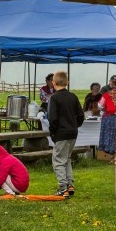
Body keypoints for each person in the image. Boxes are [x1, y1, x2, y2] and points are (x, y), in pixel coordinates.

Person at [46, 71, 84, 199]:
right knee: (66, 158)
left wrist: (53, 132)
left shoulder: (54, 98)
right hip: (73, 132)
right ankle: (70, 184)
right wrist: (75, 125)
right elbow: (81, 115)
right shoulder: (73, 97)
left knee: (58, 160)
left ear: (53, 83)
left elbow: (52, 118)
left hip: (61, 132)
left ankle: (63, 187)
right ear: (67, 82)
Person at [97, 76, 116, 160]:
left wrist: (105, 109)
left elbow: (100, 106)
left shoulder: (107, 94)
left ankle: (111, 154)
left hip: (109, 117)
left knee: (110, 135)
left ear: (112, 84)